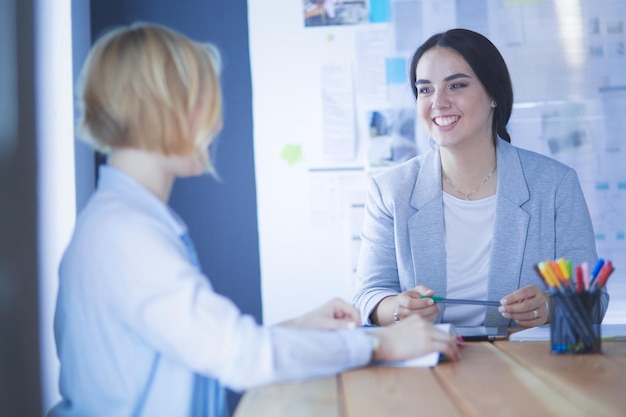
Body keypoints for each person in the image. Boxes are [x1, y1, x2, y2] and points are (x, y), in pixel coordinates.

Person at [48, 23, 460, 417]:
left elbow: (202, 343)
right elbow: (240, 357)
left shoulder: (123, 221)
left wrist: (302, 327)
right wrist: (380, 345)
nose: (217, 124)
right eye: (205, 106)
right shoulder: (128, 235)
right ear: (162, 110)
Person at [352, 28, 609, 329]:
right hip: (427, 363)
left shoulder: (554, 185)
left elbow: (593, 301)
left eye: (456, 85)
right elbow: (368, 296)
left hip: (522, 366)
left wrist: (549, 308)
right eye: (425, 90)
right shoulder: (390, 190)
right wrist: (399, 308)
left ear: (494, 96)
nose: (438, 102)